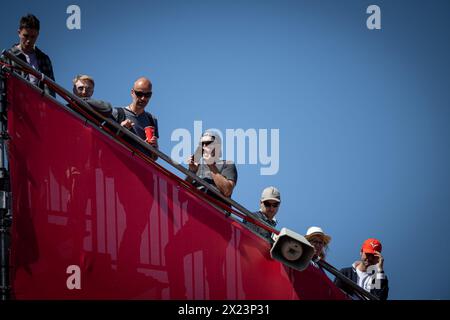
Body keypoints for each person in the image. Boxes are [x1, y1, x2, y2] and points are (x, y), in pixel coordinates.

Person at [112, 77, 159, 160]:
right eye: (139, 94)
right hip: (120, 164)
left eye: (147, 95)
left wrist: (154, 147)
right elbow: (104, 140)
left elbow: (154, 157)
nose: (143, 98)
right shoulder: (117, 113)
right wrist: (121, 130)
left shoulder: (152, 120)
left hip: (141, 168)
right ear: (132, 92)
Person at [9, 14, 55, 97]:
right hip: (15, 105)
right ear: (19, 33)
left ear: (37, 35)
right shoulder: (8, 57)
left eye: (33, 37)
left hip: (39, 106)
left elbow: (51, 90)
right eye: (26, 36)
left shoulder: (45, 59)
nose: (29, 40)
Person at [186, 131, 237, 201]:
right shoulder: (197, 167)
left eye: (208, 143)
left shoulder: (227, 164)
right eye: (202, 144)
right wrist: (192, 172)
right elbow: (183, 193)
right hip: (194, 208)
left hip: (216, 209)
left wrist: (211, 165)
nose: (204, 146)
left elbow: (227, 191)